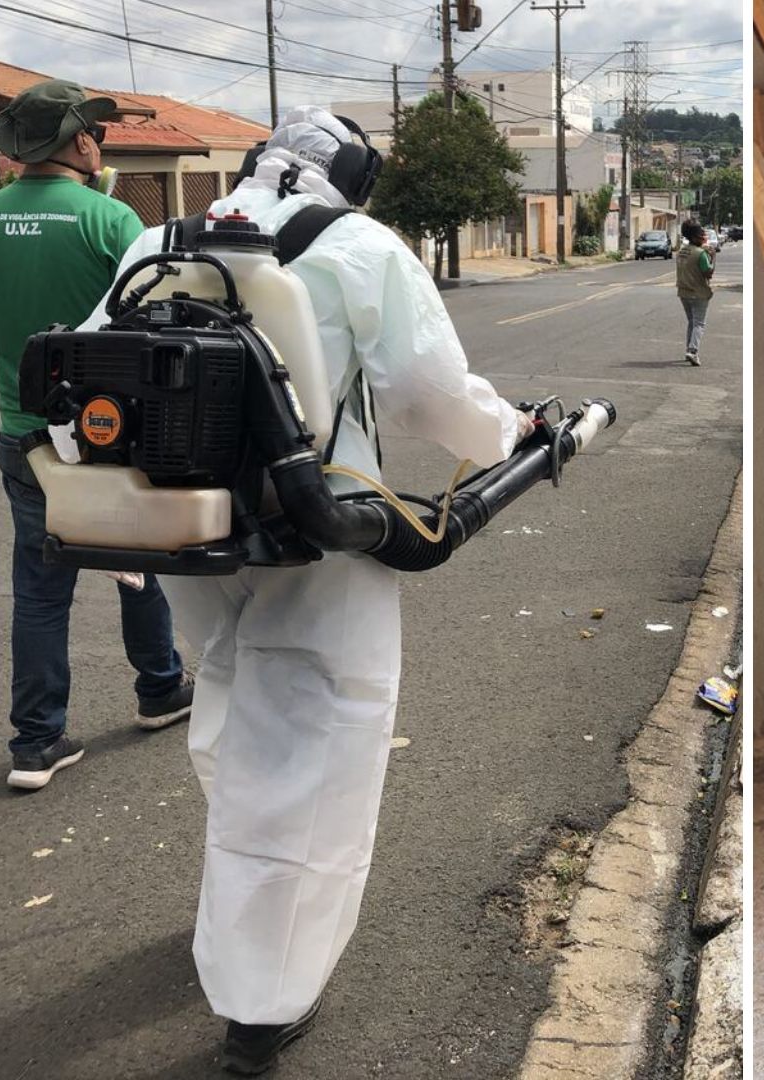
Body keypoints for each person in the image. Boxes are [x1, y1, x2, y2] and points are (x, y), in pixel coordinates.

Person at [82, 106, 535, 1075]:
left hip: (192, 530)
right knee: (315, 747)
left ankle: (234, 908)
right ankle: (262, 998)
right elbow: (430, 393)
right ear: (355, 174)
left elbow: (88, 370)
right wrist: (512, 433)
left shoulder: (164, 239)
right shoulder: (358, 245)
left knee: (234, 698)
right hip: (315, 535)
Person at [0, 79, 192, 792]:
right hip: (108, 433)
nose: (100, 140)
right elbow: (158, 319)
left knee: (38, 588)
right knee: (138, 557)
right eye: (93, 131)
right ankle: (158, 687)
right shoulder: (110, 221)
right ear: (79, 142)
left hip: (23, 436)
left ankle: (36, 741)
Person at [675, 218, 714, 366]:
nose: (704, 236)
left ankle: (688, 350)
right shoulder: (700, 254)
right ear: (695, 236)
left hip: (683, 293)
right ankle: (693, 350)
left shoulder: (681, 251)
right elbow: (708, 273)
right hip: (698, 293)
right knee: (699, 323)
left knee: (691, 322)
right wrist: (712, 257)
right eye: (701, 233)